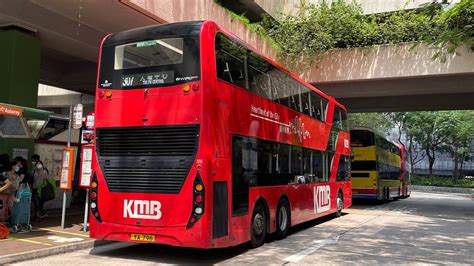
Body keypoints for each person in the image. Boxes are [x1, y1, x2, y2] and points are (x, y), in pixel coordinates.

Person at [31, 154, 48, 219]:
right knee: (37, 200)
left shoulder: (39, 166)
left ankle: (37, 213)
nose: (32, 161)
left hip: (38, 187)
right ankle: (37, 212)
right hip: (37, 186)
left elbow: (43, 176)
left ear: (36, 160)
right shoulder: (37, 167)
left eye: (33, 160)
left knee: (37, 200)